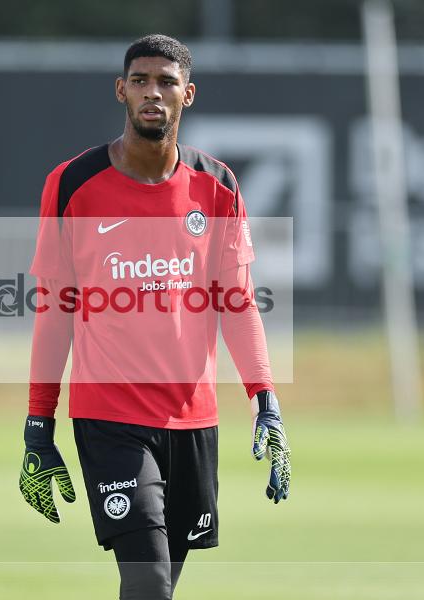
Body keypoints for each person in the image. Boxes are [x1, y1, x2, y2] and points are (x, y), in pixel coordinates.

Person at [18, 34, 291, 600]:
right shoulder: (72, 183)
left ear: (187, 95)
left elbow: (236, 302)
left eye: (166, 82)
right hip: (109, 416)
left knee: (160, 585)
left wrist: (265, 398)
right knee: (149, 583)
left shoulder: (217, 186)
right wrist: (38, 424)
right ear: (121, 90)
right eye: (140, 80)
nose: (152, 93)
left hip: (193, 419)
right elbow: (55, 312)